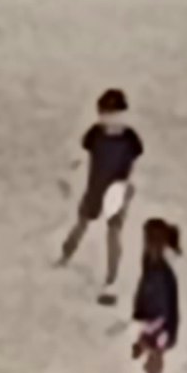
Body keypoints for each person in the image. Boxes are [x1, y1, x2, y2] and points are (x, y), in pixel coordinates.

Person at [58, 88, 143, 294]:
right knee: (82, 223)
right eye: (106, 114)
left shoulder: (130, 138)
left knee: (113, 232)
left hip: (117, 190)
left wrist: (128, 188)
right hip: (95, 186)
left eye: (114, 114)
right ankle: (66, 255)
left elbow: (134, 165)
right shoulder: (95, 134)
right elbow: (79, 155)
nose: (110, 119)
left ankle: (111, 277)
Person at [124, 216, 185, 373]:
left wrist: (143, 338)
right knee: (152, 361)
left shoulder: (161, 274)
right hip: (154, 323)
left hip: (161, 327)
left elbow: (162, 311)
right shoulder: (151, 263)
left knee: (154, 360)